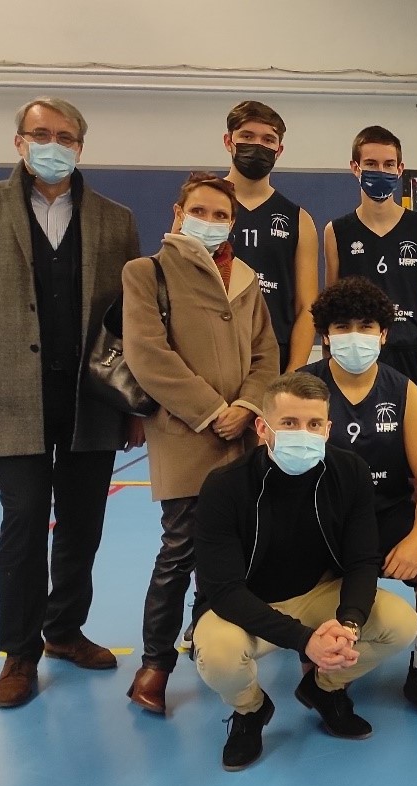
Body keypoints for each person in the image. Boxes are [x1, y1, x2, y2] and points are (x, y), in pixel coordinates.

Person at [0, 96, 141, 708]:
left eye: (66, 135)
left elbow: (128, 321)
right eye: (41, 133)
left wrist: (133, 404)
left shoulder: (115, 218)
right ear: (19, 141)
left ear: (81, 145)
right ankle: (19, 652)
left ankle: (65, 630)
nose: (54, 144)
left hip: (92, 398)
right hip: (8, 394)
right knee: (24, 520)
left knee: (83, 522)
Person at [193, 373, 417, 771]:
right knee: (218, 653)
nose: (304, 433)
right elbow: (224, 590)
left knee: (401, 622)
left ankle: (323, 689)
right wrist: (304, 642)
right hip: (248, 604)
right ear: (263, 428)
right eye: (290, 423)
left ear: (328, 429)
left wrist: (348, 624)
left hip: (318, 594)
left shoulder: (349, 472)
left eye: (314, 424)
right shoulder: (224, 487)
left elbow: (362, 561)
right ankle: (250, 711)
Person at [122, 172, 281, 715]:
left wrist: (249, 407)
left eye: (221, 216)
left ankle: (206, 639)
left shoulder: (247, 279)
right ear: (177, 212)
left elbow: (266, 354)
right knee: (181, 551)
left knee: (233, 553)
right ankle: (154, 664)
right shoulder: (147, 274)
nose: (210, 223)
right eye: (201, 212)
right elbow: (148, 355)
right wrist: (213, 411)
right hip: (187, 437)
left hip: (245, 440)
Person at [299, 277, 417, 724]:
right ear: (325, 334)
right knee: (320, 666)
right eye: (342, 326)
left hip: (388, 516)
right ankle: (324, 672)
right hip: (321, 526)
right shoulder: (302, 390)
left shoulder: (403, 392)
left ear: (383, 334)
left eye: (365, 325)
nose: (354, 335)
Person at [323, 125, 417, 409]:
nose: (381, 170)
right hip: (357, 355)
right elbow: (329, 307)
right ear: (355, 168)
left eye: (389, 164)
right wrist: (329, 366)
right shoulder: (336, 231)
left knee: (409, 448)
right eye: (371, 164)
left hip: (410, 354)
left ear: (400, 169)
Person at [223, 100, 319, 372]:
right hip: (210, 351)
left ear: (279, 150)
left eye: (268, 139)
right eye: (247, 136)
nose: (258, 146)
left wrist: (294, 373)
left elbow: (306, 308)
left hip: (273, 356)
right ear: (228, 141)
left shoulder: (299, 220)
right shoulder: (200, 206)